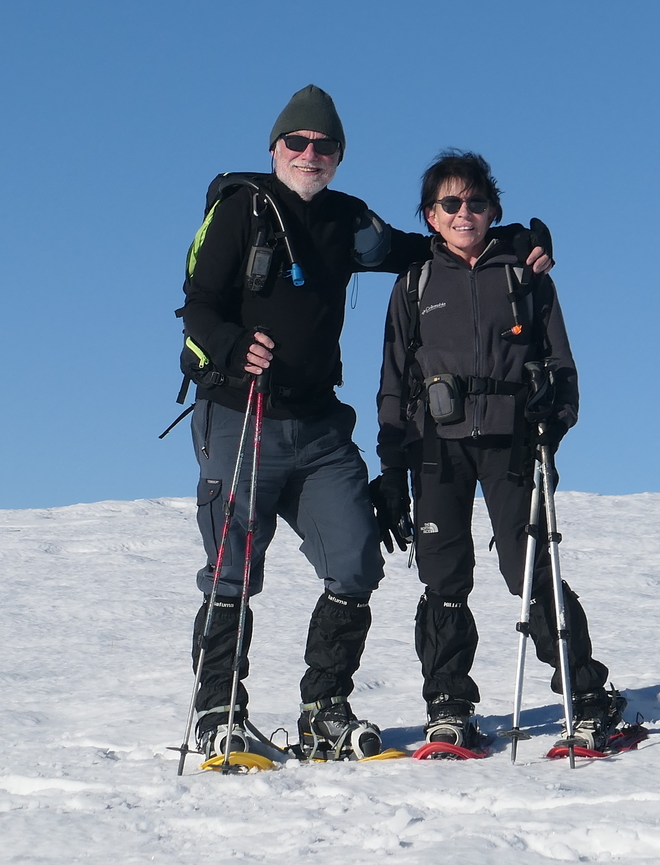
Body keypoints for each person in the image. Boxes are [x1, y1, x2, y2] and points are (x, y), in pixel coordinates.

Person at [179, 89, 550, 761]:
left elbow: (425, 249)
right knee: (233, 568)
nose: (309, 154)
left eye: (324, 145)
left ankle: (323, 708)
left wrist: (512, 241)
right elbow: (198, 303)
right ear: (275, 148)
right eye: (297, 143)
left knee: (354, 560)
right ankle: (218, 711)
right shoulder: (242, 209)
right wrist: (232, 347)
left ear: (340, 155)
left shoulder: (347, 220)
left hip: (320, 427)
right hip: (242, 416)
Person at [373, 149, 625, 753]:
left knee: (528, 569)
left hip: (515, 443)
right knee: (443, 577)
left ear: (492, 210)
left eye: (476, 202)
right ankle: (448, 706)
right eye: (450, 203)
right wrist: (390, 464)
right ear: (430, 216)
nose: (464, 213)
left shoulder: (526, 276)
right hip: (436, 447)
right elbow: (393, 380)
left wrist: (554, 423)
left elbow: (563, 367)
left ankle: (586, 696)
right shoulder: (414, 284)